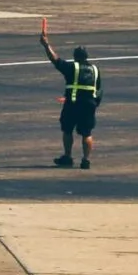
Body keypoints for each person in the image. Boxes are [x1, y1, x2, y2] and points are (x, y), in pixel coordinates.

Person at [41, 21, 100, 169]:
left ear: (75, 57)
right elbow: (99, 90)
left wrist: (46, 45)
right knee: (87, 133)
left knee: (67, 130)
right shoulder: (95, 69)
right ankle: (86, 160)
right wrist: (95, 104)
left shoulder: (72, 67)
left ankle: (67, 156)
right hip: (89, 106)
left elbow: (55, 60)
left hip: (73, 105)